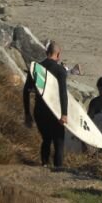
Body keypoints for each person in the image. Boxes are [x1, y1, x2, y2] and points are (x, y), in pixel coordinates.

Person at [23, 41, 68, 169]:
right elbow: (63, 93)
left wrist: (27, 113)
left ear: (46, 52)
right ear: (58, 54)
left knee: (46, 139)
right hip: (55, 111)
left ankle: (44, 165)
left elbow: (26, 91)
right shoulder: (60, 70)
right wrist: (64, 114)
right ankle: (58, 168)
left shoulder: (36, 68)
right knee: (59, 141)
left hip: (39, 111)